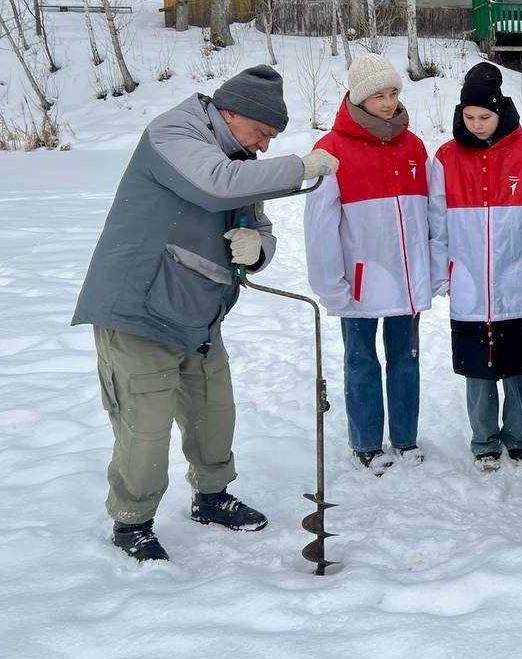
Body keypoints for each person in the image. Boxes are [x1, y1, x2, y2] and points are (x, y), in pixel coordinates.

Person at [72, 64, 339, 563]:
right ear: (231, 112)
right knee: (144, 424)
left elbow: (259, 223)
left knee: (214, 413)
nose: (263, 147)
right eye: (262, 133)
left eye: (272, 140)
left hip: (197, 311)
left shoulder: (237, 156)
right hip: (138, 308)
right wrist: (300, 166)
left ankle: (212, 497)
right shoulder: (175, 132)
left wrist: (255, 247)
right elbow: (216, 184)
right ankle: (132, 522)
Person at [428, 62, 522, 471]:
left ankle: (518, 437)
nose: (477, 124)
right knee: (478, 370)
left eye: (484, 117)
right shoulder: (445, 159)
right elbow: (436, 221)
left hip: (518, 282)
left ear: (501, 111)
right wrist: (441, 272)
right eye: (469, 117)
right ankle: (484, 440)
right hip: (469, 281)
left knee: (517, 366)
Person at [304, 53, 430, 474]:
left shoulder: (413, 146)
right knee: (361, 359)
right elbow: (319, 226)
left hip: (406, 281)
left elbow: (428, 215)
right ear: (359, 98)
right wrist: (330, 284)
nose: (389, 102)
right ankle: (366, 442)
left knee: (406, 358)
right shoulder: (331, 151)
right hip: (358, 282)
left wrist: (429, 267)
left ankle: (406, 438)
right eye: (379, 95)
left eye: (393, 93)